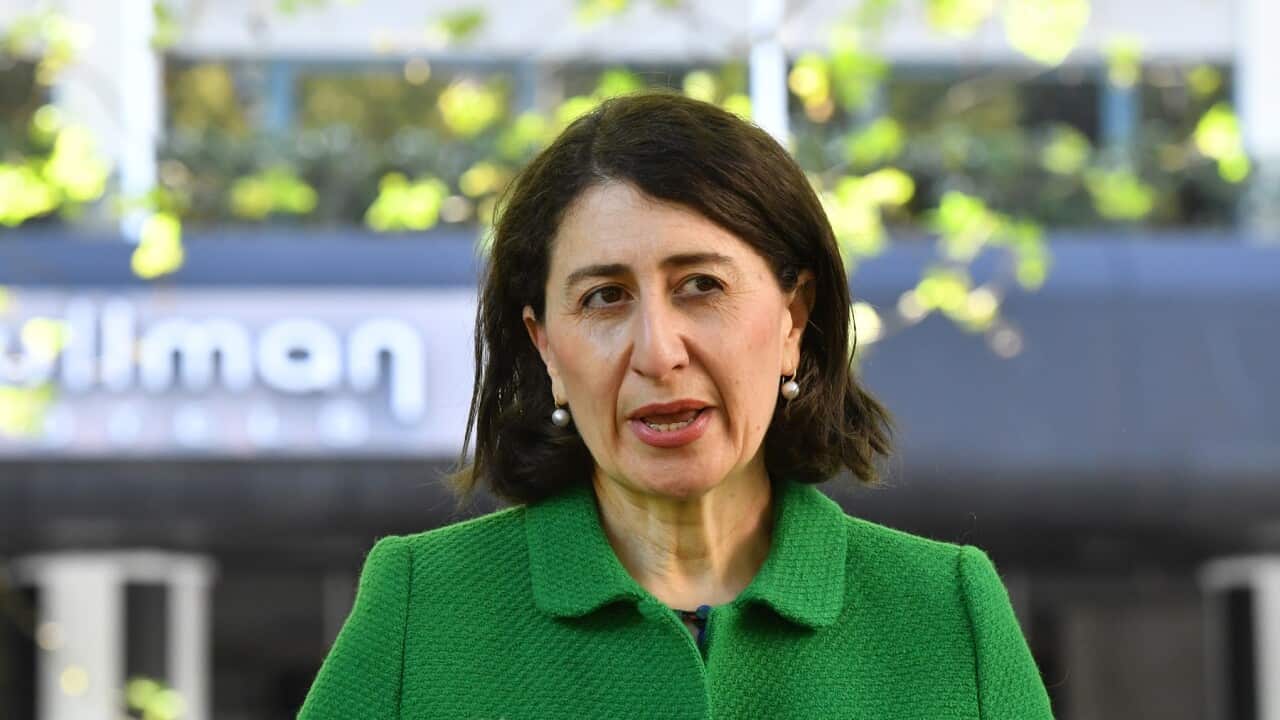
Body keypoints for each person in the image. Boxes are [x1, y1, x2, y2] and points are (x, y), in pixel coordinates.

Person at [297, 91, 1055, 719]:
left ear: (794, 320)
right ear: (547, 349)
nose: (658, 352)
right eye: (604, 298)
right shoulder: (421, 608)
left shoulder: (947, 613)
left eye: (702, 286)